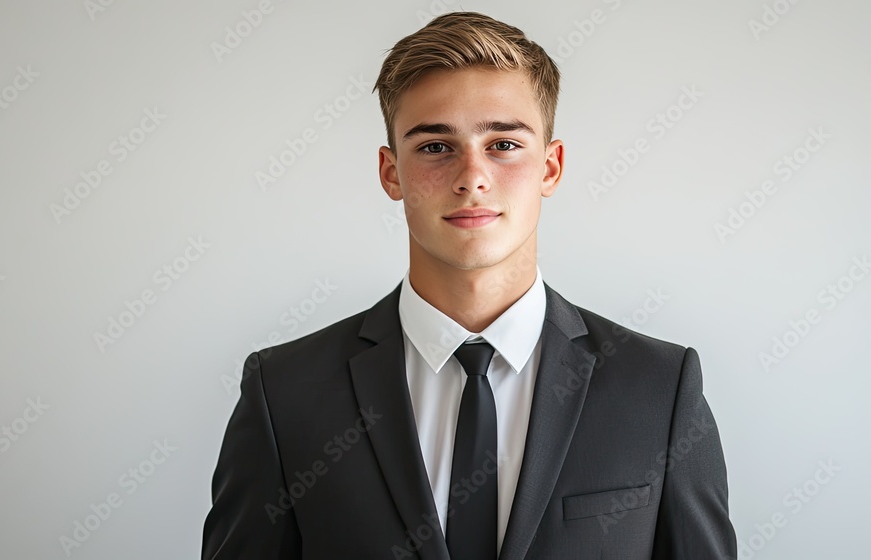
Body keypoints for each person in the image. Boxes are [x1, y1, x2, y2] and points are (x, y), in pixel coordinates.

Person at [201, 11, 736, 560]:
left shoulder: (659, 389)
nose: (471, 177)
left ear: (550, 168)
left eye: (503, 144)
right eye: (435, 146)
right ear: (391, 173)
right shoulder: (284, 393)